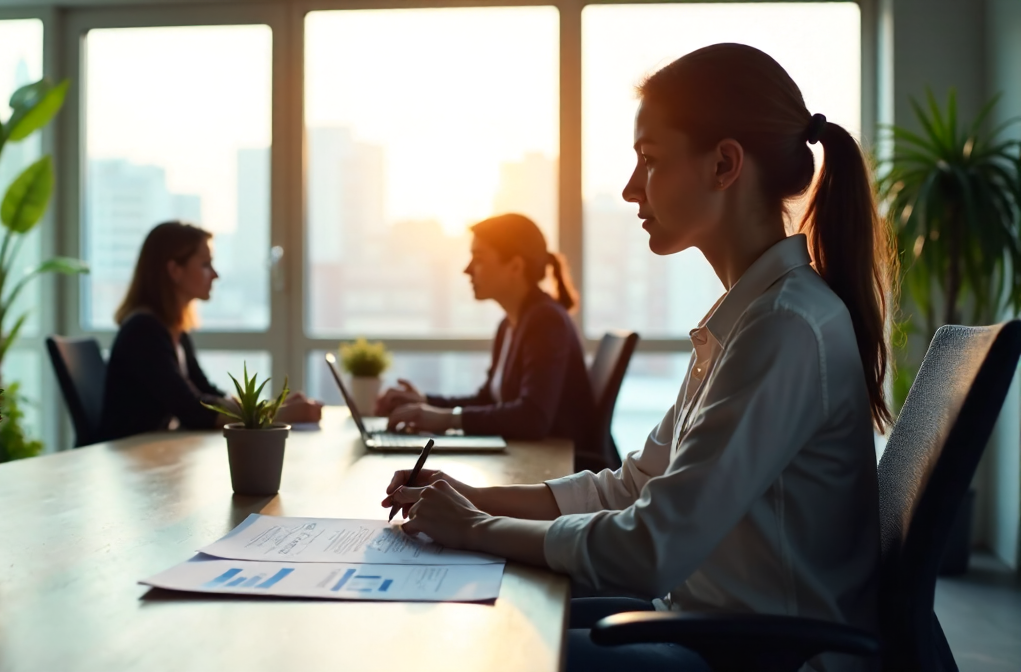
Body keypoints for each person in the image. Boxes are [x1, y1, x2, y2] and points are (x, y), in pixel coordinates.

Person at [382, 44, 893, 672]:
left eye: (649, 160)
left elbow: (652, 547)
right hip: (712, 629)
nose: (629, 189)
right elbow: (633, 487)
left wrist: (474, 528)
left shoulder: (783, 328)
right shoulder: (750, 318)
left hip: (762, 656)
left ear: (725, 164)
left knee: (490, 652)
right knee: (489, 617)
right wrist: (477, 498)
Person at [375, 213, 594, 463]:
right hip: (532, 459)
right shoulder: (510, 324)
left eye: (478, 259)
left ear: (515, 266)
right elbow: (489, 399)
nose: (467, 270)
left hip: (561, 469)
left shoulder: (546, 321)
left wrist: (444, 419)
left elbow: (533, 417)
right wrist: (425, 403)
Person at [100, 221, 321, 441]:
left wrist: (271, 406)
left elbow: (207, 394)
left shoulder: (175, 331)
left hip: (147, 452)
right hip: (128, 458)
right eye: (205, 264)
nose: (215, 274)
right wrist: (279, 415)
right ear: (175, 270)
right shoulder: (143, 331)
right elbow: (193, 411)